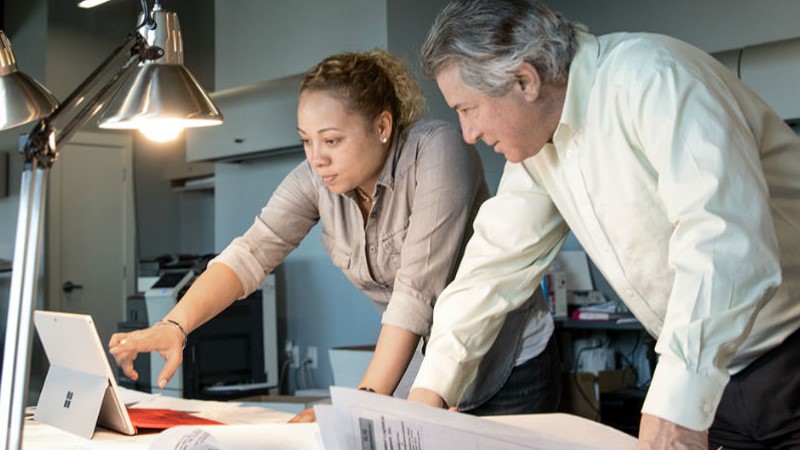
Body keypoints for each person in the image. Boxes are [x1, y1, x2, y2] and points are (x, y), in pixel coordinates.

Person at [407, 1, 800, 449]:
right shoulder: (539, 147)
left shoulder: (653, 80)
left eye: (467, 109)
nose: (467, 133)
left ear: (524, 80)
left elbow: (725, 243)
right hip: (714, 373)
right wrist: (428, 395)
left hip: (785, 353)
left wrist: (677, 402)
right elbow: (492, 267)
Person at [108, 49, 560, 422]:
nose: (316, 157)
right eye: (306, 140)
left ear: (382, 127)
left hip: (507, 364)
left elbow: (416, 293)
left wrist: (354, 408)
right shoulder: (317, 180)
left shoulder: (437, 151)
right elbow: (252, 251)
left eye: (331, 140)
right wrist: (175, 325)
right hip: (418, 369)